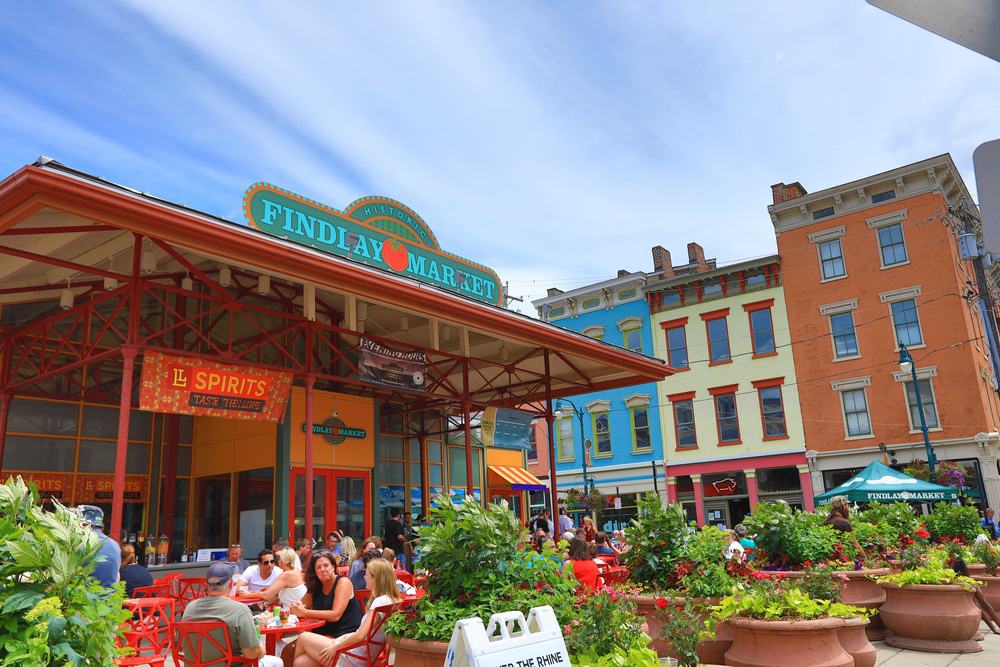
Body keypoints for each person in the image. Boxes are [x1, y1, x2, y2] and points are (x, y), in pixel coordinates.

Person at [292, 558, 402, 666]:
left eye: (367, 575)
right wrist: (341, 640)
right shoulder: (389, 600)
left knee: (303, 637)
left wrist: (336, 647)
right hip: (357, 654)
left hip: (352, 657)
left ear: (377, 578)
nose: (364, 577)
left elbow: (360, 636)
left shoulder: (380, 601)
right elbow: (362, 634)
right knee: (301, 662)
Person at [181, 562, 281, 666]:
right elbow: (251, 654)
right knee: (277, 662)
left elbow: (184, 646)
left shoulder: (189, 608)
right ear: (231, 583)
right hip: (229, 664)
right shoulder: (240, 610)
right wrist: (261, 648)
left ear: (206, 584)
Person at [289, 553, 362, 640]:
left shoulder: (343, 582)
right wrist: (296, 609)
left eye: (326, 565)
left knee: (295, 646)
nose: (322, 569)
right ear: (315, 572)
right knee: (290, 649)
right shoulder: (315, 586)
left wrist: (305, 612)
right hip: (322, 633)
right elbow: (300, 607)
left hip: (343, 636)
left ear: (333, 567)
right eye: (318, 567)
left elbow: (335, 615)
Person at [240, 548, 307, 608]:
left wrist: (248, 595)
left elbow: (267, 595)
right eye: (266, 563)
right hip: (294, 609)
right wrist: (259, 592)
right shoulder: (296, 570)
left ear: (282, 561)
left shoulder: (286, 574)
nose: (270, 564)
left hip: (291, 612)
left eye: (272, 561)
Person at [76, 505, 120, 589]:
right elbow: (117, 576)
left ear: (82, 524)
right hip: (109, 598)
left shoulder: (79, 544)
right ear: (101, 525)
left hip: (83, 597)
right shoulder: (115, 545)